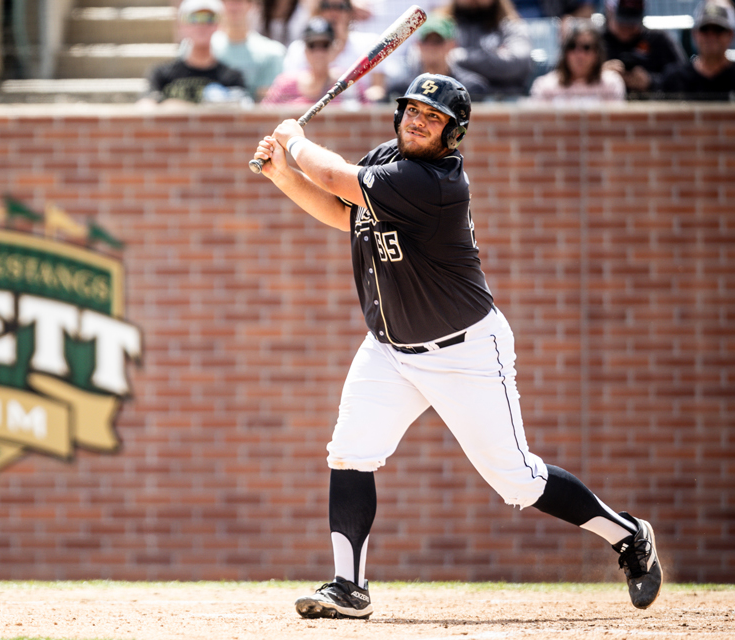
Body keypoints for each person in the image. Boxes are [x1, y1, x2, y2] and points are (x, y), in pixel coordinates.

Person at [252, 73, 663, 620]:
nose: (419, 121)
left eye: (434, 118)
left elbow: (333, 175)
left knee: (516, 479)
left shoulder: (434, 183)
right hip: (392, 347)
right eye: (414, 111)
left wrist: (293, 139)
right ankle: (348, 587)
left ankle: (628, 535)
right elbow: (341, 213)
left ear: (453, 135)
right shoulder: (384, 160)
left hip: (464, 350)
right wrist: (283, 172)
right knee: (350, 451)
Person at [660, 0, 735, 101]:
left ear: (731, 35)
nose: (711, 36)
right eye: (705, 29)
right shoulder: (675, 80)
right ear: (694, 34)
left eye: (718, 29)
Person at [140, 0, 246, 105]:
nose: (201, 25)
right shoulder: (161, 74)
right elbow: (145, 107)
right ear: (181, 25)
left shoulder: (232, 78)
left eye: (209, 18)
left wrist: (175, 106)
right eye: (193, 18)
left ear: (219, 25)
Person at [282, 0, 385, 101]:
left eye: (341, 7)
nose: (333, 12)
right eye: (326, 6)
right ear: (318, 10)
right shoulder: (299, 48)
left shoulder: (369, 43)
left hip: (354, 110)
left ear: (350, 12)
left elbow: (378, 89)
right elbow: (288, 89)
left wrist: (358, 97)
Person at [261, 17, 367, 105]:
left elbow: (368, 119)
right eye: (312, 45)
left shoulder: (349, 81)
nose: (318, 52)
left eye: (324, 45)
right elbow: (265, 116)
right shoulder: (285, 84)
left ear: (334, 48)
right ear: (305, 51)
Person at [386, 14, 490, 100]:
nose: (431, 47)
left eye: (437, 41)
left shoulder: (469, 87)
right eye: (425, 41)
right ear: (418, 44)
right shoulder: (401, 89)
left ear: (452, 45)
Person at [445, 0, 533, 99]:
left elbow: (517, 64)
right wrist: (494, 58)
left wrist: (460, 57)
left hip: (504, 101)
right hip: (454, 100)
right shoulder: (443, 25)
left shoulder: (511, 26)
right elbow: (432, 64)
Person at [602, 0, 686, 97]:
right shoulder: (594, 42)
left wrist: (650, 81)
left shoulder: (658, 40)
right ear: (609, 13)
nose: (627, 27)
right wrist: (600, 74)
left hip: (651, 106)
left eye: (632, 22)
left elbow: (684, 76)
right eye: (622, 21)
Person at [530, 18, 625, 103]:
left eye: (586, 47)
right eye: (572, 46)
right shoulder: (544, 86)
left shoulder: (611, 84)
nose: (579, 55)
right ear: (564, 52)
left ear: (597, 53)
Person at [210, 0, 286, 102]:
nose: (232, 7)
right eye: (225, 1)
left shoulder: (272, 53)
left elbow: (268, 103)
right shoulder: (201, 48)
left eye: (238, 2)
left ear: (251, 5)